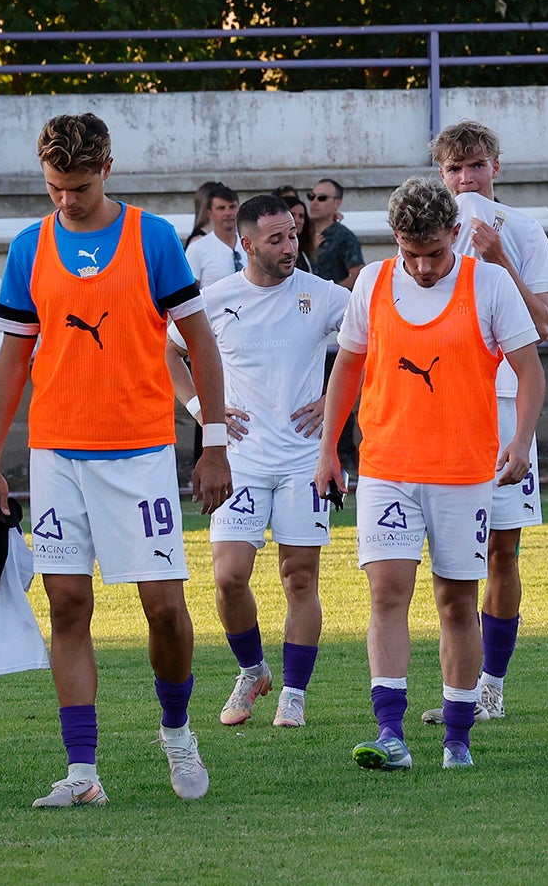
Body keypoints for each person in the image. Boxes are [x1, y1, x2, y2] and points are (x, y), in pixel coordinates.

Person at [0, 112, 229, 805]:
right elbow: (11, 358)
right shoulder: (29, 246)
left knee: (164, 608)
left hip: (141, 451)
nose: (66, 199)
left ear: (106, 168)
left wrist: (213, 443)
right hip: (56, 451)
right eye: (55, 186)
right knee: (67, 603)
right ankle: (83, 771)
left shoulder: (152, 239)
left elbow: (200, 342)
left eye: (78, 185)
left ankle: (176, 731)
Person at [313, 177, 544, 772]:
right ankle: (390, 733)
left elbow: (531, 371)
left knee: (455, 603)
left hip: (465, 472)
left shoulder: (487, 283)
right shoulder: (372, 281)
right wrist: (328, 451)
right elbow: (348, 368)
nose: (421, 267)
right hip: (388, 467)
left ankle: (458, 738)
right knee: (387, 592)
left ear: (455, 237)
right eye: (410, 253)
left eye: (435, 253)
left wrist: (519, 441)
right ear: (395, 240)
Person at [166, 194, 349, 729]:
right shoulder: (216, 299)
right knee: (228, 576)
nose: (290, 245)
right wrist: (203, 410)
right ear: (246, 244)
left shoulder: (323, 295)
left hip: (302, 462)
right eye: (276, 239)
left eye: (293, 234)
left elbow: (371, 344)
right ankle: (252, 670)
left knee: (299, 578)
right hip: (238, 461)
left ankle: (294, 692)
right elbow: (167, 350)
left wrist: (335, 403)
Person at [427, 120, 548, 727]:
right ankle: (456, 684)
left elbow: (540, 321)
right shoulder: (427, 236)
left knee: (504, 549)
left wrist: (498, 256)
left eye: (475, 166)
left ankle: (492, 685)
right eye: (454, 170)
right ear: (441, 176)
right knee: (450, 557)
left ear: (495, 168)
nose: (465, 179)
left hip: (507, 405)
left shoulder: (524, 230)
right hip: (447, 408)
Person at [306, 178, 364, 289]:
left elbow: (358, 275)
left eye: (322, 198)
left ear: (337, 203)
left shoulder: (344, 237)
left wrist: (332, 292)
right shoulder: (300, 231)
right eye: (311, 197)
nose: (314, 203)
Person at [183, 182, 242, 289]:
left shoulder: (250, 244)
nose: (228, 213)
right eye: (221, 208)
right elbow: (190, 293)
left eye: (232, 207)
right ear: (210, 213)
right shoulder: (197, 248)